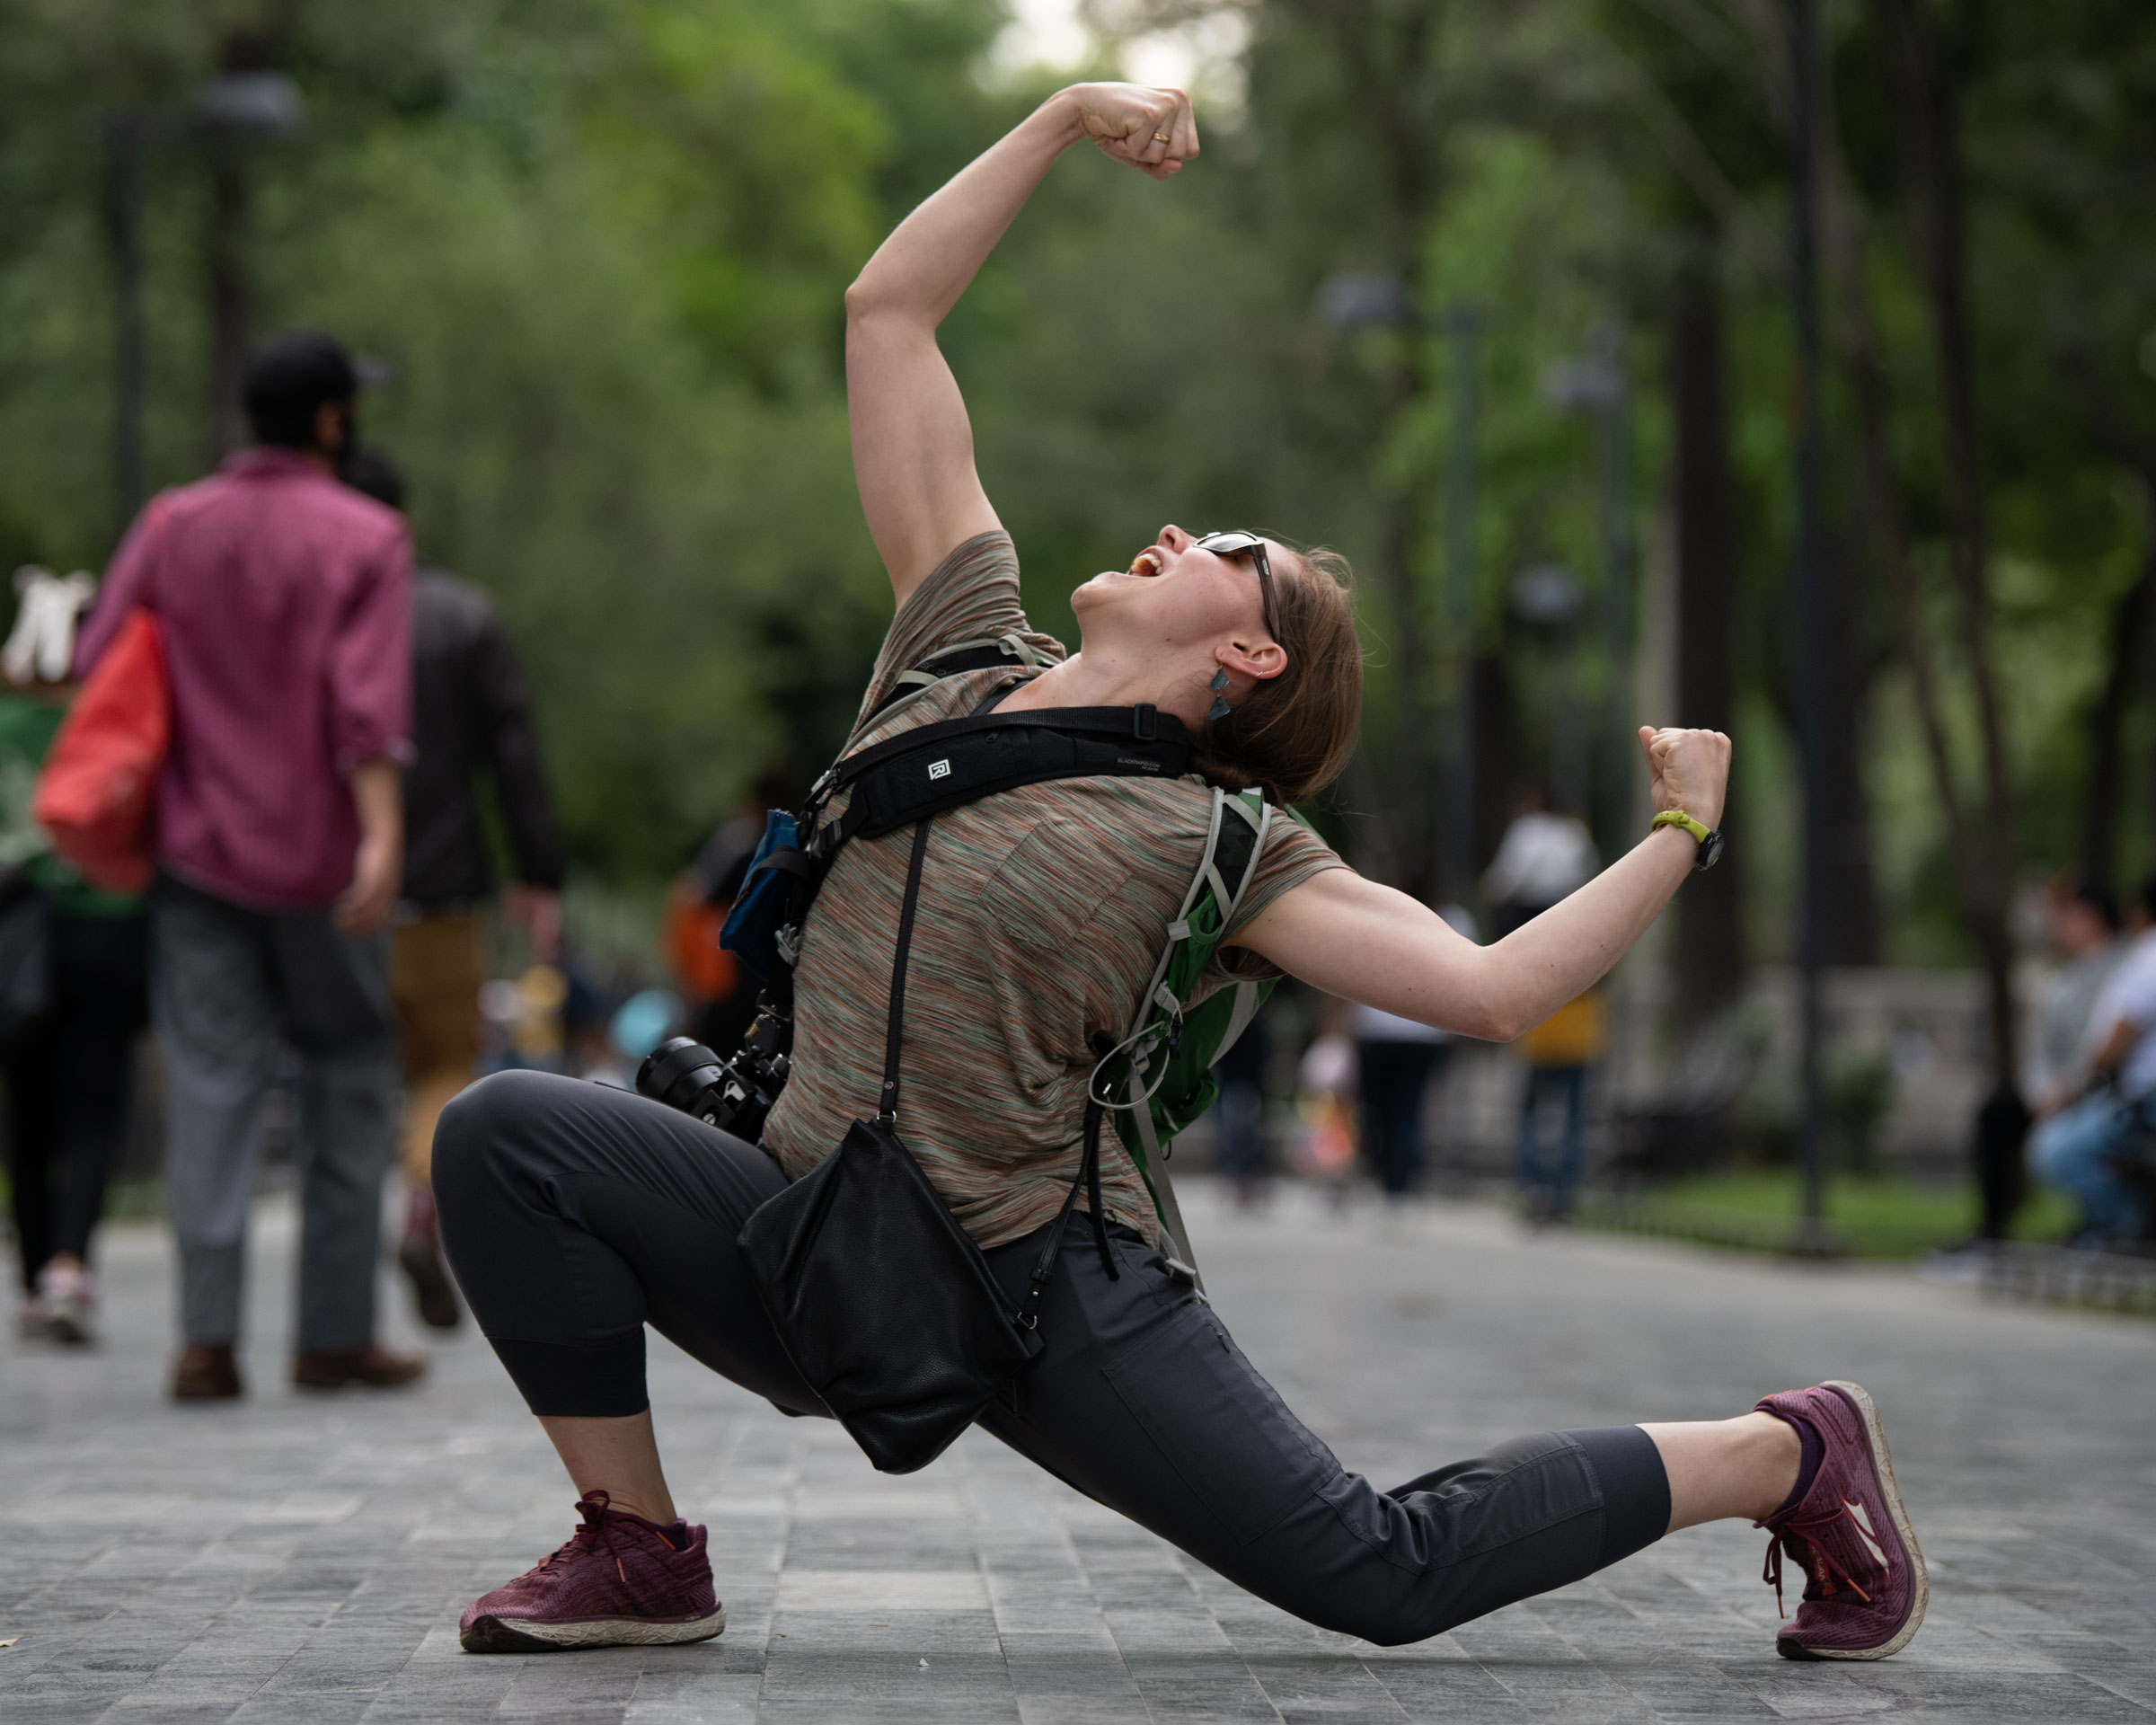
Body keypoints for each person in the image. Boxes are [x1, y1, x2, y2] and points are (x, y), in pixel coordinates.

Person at [431, 85, 1923, 1667]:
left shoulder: (1229, 845)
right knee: (507, 1136)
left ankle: (1790, 1451)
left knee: (1378, 1573)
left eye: (1216, 542)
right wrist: (1063, 121)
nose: (1165, 531)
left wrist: (1679, 832)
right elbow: (889, 314)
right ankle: (644, 1550)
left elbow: (1497, 993)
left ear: (1251, 648)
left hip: (1030, 1279)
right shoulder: (950, 662)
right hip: (804, 1227)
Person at [74, 331, 423, 1401]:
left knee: (214, 1086)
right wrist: (381, 836)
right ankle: (331, 1336)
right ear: (329, 420)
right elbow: (365, 711)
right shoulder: (366, 535)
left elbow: (97, 660)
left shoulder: (175, 524)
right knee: (351, 1072)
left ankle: (207, 1338)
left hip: (196, 855)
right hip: (324, 862)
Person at [343, 448, 567, 1331]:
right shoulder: (462, 617)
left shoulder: (317, 616)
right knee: (443, 1062)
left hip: (330, 894)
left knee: (349, 1066)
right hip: (441, 891)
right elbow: (514, 757)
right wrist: (538, 872)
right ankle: (423, 1208)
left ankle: (339, 1280)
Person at [1, 570, 150, 1345]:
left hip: (14, 935)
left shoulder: (2, 721)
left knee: (26, 1113)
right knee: (95, 1107)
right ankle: (68, 1263)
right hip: (108, 927)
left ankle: (31, 1280)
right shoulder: (107, 718)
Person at [2029, 878, 2156, 1245]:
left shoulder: (2146, 958)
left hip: (2140, 1101)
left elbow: (2112, 1043)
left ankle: (2120, 1227)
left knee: (2055, 1150)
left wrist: (2076, 1084)